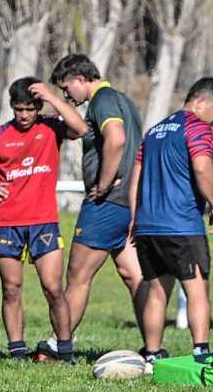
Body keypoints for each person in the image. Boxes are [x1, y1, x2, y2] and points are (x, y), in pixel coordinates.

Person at [0, 76, 86, 361]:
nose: (24, 115)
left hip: (44, 223)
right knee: (11, 288)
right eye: (19, 109)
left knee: (53, 287)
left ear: (39, 108)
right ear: (12, 107)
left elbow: (80, 127)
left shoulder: (52, 128)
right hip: (8, 223)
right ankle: (17, 351)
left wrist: (53, 97)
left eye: (30, 109)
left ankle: (64, 351)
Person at [37, 54, 145, 361]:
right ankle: (153, 347)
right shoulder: (125, 100)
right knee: (133, 274)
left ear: (81, 78)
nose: (67, 95)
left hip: (106, 203)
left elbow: (117, 139)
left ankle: (60, 345)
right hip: (128, 203)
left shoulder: (103, 99)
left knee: (78, 276)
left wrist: (105, 182)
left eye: (67, 87)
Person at [128, 77, 213, 365]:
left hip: (148, 226)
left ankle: (151, 353)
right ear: (199, 102)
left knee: (157, 291)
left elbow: (136, 177)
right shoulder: (197, 127)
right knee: (197, 289)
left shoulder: (154, 131)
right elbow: (202, 165)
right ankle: (201, 352)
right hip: (181, 224)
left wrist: (135, 218)